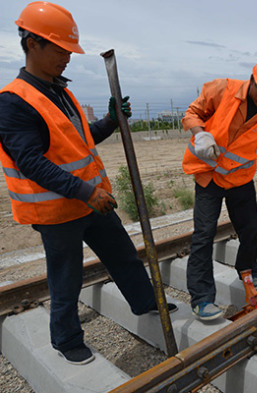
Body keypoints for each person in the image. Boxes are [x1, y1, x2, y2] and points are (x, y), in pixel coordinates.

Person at [0, 2, 175, 366]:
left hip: (91, 201)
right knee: (66, 278)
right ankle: (66, 340)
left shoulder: (59, 91)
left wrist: (111, 120)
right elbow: (30, 162)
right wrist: (85, 191)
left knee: (123, 256)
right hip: (58, 209)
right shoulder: (14, 101)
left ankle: (145, 303)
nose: (68, 58)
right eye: (61, 49)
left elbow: (79, 142)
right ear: (33, 44)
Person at [181, 52, 257, 320]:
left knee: (251, 229)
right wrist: (200, 134)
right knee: (204, 234)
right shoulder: (222, 90)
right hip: (208, 175)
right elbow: (192, 113)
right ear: (253, 78)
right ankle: (201, 298)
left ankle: (249, 272)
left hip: (240, 179)